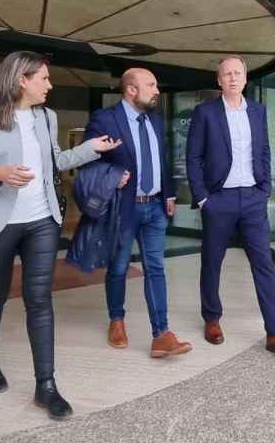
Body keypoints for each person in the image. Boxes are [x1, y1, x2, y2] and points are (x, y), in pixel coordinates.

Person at [0, 50, 122, 420]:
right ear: (21, 79)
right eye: (43, 78)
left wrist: (91, 149)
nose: (50, 84)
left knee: (40, 299)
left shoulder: (47, 116)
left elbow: (55, 162)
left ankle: (46, 386)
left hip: (42, 219)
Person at [185, 55, 275, 357]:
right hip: (218, 199)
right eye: (227, 73)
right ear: (219, 80)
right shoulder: (205, 113)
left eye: (238, 73)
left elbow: (263, 150)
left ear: (245, 78)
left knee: (263, 264)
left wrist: (265, 190)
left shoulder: (258, 112)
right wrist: (203, 199)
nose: (233, 77)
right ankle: (212, 318)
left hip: (252, 198)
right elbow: (193, 158)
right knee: (212, 262)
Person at [84, 68, 192, 358]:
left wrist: (168, 192)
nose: (157, 90)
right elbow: (88, 161)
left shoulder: (155, 121)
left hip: (155, 206)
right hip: (124, 207)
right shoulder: (105, 119)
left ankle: (161, 333)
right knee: (118, 267)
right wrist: (112, 175)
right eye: (151, 85)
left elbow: (161, 159)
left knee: (155, 268)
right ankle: (116, 320)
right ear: (131, 90)